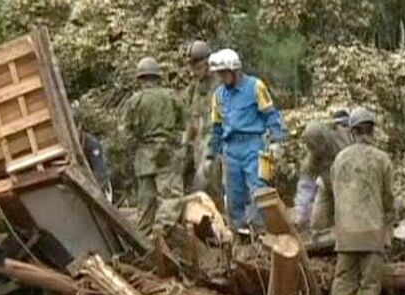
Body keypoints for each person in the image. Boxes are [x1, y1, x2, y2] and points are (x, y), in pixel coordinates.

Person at [329, 108, 394, 295]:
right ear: (372, 130)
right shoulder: (382, 159)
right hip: (373, 233)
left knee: (343, 282)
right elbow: (388, 199)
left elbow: (334, 192)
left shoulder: (340, 159)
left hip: (345, 233)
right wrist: (389, 228)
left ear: (352, 131)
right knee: (369, 286)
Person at [208, 49, 287, 231]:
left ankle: (259, 232)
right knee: (233, 194)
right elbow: (217, 127)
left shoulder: (255, 86)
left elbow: (270, 115)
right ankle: (238, 233)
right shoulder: (218, 95)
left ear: (235, 70)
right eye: (219, 74)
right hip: (231, 148)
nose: (221, 77)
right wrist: (212, 153)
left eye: (224, 73)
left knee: (258, 190)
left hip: (253, 145)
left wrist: (276, 141)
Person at [122, 57, 186, 235]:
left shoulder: (134, 101)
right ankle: (162, 231)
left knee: (146, 199)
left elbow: (127, 133)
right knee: (170, 195)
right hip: (167, 151)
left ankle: (143, 236)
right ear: (158, 77)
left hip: (144, 155)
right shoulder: (171, 96)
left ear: (140, 79)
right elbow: (184, 123)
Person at [293, 112, 353, 231]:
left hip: (350, 188)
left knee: (349, 223)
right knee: (317, 225)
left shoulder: (344, 142)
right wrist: (300, 214)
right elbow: (305, 187)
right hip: (327, 187)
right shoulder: (311, 160)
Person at [184, 40, 224, 210]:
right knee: (199, 190)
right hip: (198, 146)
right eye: (193, 67)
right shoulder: (194, 89)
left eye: (198, 67)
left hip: (215, 144)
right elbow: (190, 119)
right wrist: (185, 142)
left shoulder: (220, 85)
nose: (195, 72)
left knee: (212, 186)